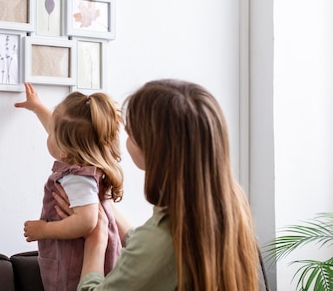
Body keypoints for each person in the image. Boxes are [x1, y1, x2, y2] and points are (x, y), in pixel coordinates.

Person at [62, 79, 266, 291]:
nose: (124, 140)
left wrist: (96, 241)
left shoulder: (161, 241)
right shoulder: (231, 201)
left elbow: (156, 249)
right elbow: (156, 253)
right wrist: (105, 204)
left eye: (130, 135)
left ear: (154, 150)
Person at [14, 82, 125, 291]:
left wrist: (44, 230)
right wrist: (37, 106)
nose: (49, 133)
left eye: (52, 133)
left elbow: (87, 221)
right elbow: (57, 129)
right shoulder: (81, 159)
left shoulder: (77, 178)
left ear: (65, 150)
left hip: (76, 264)